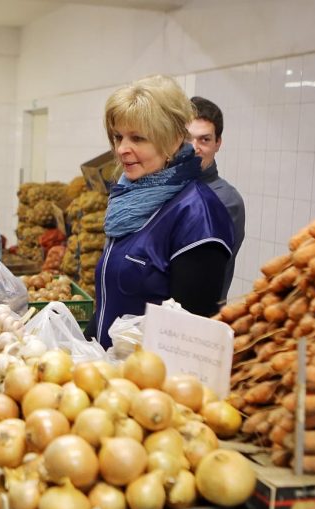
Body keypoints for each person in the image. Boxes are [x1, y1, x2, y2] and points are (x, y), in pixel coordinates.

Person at [86, 75, 235, 350]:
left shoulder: (198, 215)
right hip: (107, 375)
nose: (121, 149)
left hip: (148, 383)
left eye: (138, 138)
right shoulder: (128, 202)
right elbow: (111, 299)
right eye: (118, 137)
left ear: (174, 139)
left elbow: (188, 337)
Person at [189, 96, 245, 301]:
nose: (195, 147)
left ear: (218, 143)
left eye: (204, 139)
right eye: (188, 138)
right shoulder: (167, 189)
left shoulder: (225, 200)